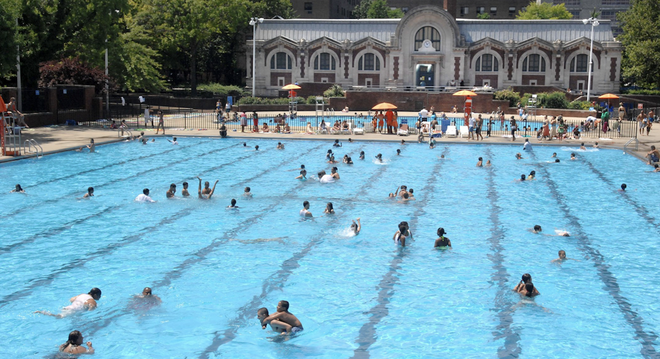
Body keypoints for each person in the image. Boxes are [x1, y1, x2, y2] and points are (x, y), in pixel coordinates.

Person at [36, 288, 102, 318]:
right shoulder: (92, 301)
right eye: (99, 295)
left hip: (68, 308)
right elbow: (91, 309)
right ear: (95, 295)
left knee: (59, 316)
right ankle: (42, 312)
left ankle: (43, 312)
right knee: (59, 317)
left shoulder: (82, 295)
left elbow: (71, 300)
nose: (100, 297)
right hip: (74, 311)